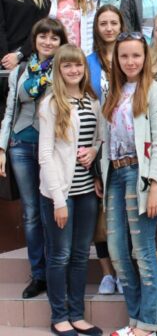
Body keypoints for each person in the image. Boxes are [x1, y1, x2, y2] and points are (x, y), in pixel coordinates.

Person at [100, 31, 157, 336]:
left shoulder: (154, 91)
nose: (130, 61)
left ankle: (148, 325)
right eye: (124, 56)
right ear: (116, 59)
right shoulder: (112, 92)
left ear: (145, 57)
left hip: (139, 175)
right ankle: (135, 320)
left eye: (136, 55)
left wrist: (155, 184)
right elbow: (105, 137)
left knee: (143, 252)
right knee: (117, 251)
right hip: (114, 175)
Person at [0, 18, 68, 299]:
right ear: (35, 39)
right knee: (30, 213)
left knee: (51, 206)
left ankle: (56, 271)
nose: (48, 42)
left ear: (61, 42)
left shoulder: (64, 69)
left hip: (52, 147)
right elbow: (10, 110)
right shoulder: (20, 70)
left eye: (54, 38)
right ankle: (38, 274)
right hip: (21, 144)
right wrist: (1, 148)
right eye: (43, 36)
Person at [38, 44, 103, 336]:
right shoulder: (51, 104)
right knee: (60, 255)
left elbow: (99, 138)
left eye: (78, 65)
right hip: (60, 194)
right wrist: (58, 200)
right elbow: (45, 155)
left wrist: (93, 151)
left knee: (79, 255)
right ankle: (59, 316)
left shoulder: (92, 100)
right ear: (59, 70)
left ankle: (77, 314)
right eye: (67, 65)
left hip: (87, 192)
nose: (74, 70)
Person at [87, 4, 125, 295]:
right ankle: (107, 273)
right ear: (97, 28)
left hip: (126, 141)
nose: (109, 28)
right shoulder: (87, 61)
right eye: (104, 23)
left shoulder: (131, 54)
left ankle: (124, 271)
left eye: (114, 22)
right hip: (96, 140)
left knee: (124, 211)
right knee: (100, 211)